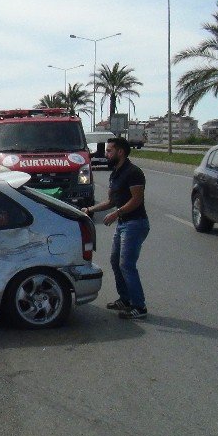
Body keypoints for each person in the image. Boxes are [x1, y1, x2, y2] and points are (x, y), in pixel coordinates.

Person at [80, 136, 150, 319]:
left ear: (121, 152)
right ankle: (125, 299)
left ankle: (139, 306)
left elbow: (137, 199)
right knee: (115, 262)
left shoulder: (133, 172)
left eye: (110, 150)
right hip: (124, 224)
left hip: (135, 223)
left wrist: (116, 213)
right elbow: (111, 201)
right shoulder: (116, 173)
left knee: (126, 264)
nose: (106, 153)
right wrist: (90, 209)